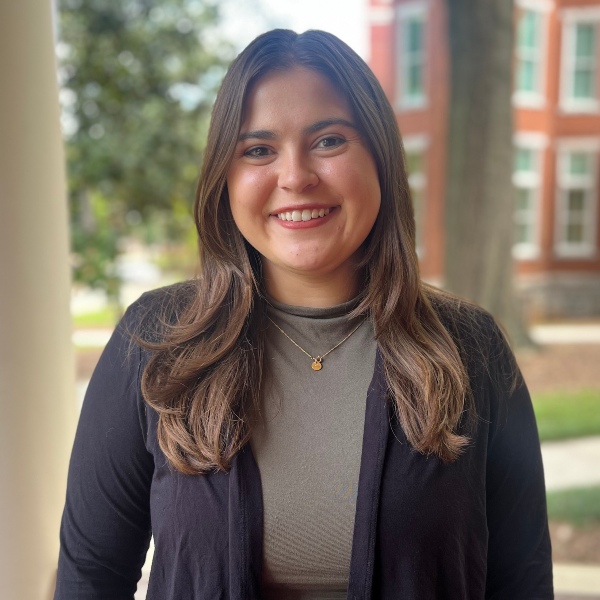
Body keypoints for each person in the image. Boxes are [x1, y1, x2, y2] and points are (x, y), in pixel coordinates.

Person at [54, 29, 553, 600]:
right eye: (258, 149)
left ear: (381, 159)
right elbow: (90, 577)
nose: (295, 176)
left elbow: (523, 580)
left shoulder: (470, 347)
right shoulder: (155, 341)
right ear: (225, 177)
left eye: (329, 141)